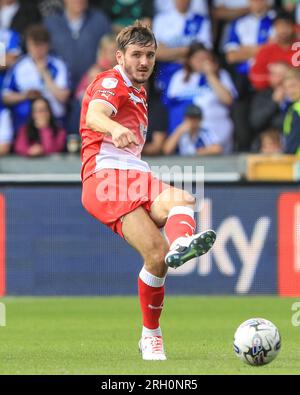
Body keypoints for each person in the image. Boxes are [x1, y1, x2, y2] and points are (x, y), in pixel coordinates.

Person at [80, 22, 216, 361]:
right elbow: (96, 114)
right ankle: (181, 244)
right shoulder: (113, 82)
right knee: (177, 213)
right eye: (137, 55)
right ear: (120, 56)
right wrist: (113, 127)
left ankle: (150, 335)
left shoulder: (139, 89)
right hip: (105, 178)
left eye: (150, 55)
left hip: (131, 174)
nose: (144, 62)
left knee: (159, 251)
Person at [167, 43, 236, 153]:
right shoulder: (179, 77)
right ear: (190, 60)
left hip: (218, 137)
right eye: (198, 58)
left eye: (206, 58)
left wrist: (210, 75)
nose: (202, 61)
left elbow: (228, 100)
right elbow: (173, 107)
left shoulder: (222, 75)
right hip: (189, 136)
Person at [2, 24, 70, 133]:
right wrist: (24, 96)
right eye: (34, 45)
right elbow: (5, 96)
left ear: (48, 45)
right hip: (25, 121)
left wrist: (44, 72)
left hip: (53, 120)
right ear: (28, 45)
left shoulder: (58, 65)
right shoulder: (19, 65)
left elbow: (63, 97)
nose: (37, 50)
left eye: (41, 45)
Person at [44, 0, 111, 90]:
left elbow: (110, 50)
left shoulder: (99, 20)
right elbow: (44, 53)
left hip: (92, 87)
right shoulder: (51, 23)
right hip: (58, 89)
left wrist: (100, 68)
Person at [250, 11, 298, 91]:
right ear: (274, 28)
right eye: (279, 26)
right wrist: (274, 78)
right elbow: (256, 79)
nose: (283, 29)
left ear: (293, 27)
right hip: (272, 92)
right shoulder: (266, 50)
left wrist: (286, 73)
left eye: (287, 25)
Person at [282, 67, 300, 155]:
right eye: (286, 88)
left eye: (293, 85)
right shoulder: (292, 108)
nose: (290, 91)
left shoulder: (296, 109)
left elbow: (292, 143)